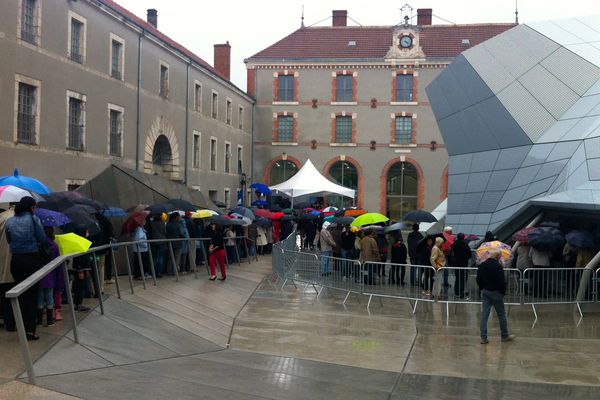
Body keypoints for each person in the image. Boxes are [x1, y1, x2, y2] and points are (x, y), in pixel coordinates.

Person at [5, 196, 47, 340]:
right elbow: (42, 238)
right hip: (31, 259)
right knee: (32, 295)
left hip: (16, 261)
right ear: (31, 207)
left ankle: (21, 326)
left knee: (20, 293)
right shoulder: (33, 219)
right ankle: (30, 330)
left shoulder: (10, 221)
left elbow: (9, 240)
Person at [476, 249, 515, 344]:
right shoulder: (498, 266)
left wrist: (482, 288)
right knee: (501, 314)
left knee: (485, 314)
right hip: (496, 292)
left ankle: (483, 337)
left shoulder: (482, 265)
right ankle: (504, 335)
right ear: (497, 256)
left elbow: (478, 279)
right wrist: (502, 292)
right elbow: (501, 281)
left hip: (485, 291)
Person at [37, 227, 60, 327]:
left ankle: (39, 321)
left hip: (39, 275)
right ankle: (50, 321)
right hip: (50, 275)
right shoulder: (54, 246)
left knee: (40, 298)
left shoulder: (38, 245)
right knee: (50, 298)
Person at [0, 206, 16, 332]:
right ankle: (12, 323)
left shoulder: (3, 217)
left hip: (2, 263)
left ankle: (8, 322)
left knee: (3, 295)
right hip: (13, 262)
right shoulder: (16, 218)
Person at [452, 233, 472, 299]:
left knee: (457, 277)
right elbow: (469, 255)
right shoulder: (465, 245)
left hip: (456, 264)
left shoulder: (454, 244)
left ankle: (456, 291)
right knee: (463, 278)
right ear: (463, 238)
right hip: (463, 264)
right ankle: (461, 291)